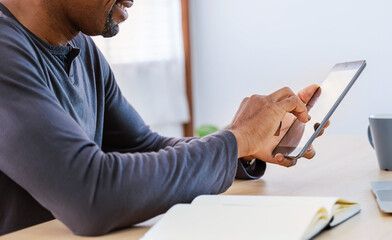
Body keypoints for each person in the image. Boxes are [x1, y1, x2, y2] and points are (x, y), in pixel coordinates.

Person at [0, 0, 328, 236]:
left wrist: (244, 144)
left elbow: (145, 146)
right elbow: (92, 195)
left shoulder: (82, 49)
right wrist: (235, 139)